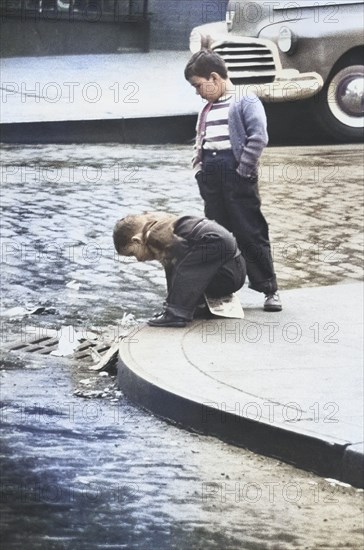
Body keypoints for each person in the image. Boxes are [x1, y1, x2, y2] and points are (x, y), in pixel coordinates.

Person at [184, 49, 282, 312]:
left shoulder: (244, 100)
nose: (197, 92)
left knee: (250, 230)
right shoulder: (206, 109)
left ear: (214, 78)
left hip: (237, 173)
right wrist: (199, 172)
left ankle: (269, 288)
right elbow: (199, 142)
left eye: (198, 86)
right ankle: (220, 293)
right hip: (211, 178)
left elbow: (258, 137)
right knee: (217, 234)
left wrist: (243, 170)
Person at [113, 212, 246, 327]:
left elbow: (184, 268)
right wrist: (170, 305)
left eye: (132, 254)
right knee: (180, 266)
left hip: (227, 273)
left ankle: (177, 315)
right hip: (233, 270)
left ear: (137, 241)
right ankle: (181, 309)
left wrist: (174, 310)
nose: (138, 260)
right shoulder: (161, 224)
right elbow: (174, 271)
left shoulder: (156, 235)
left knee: (184, 265)